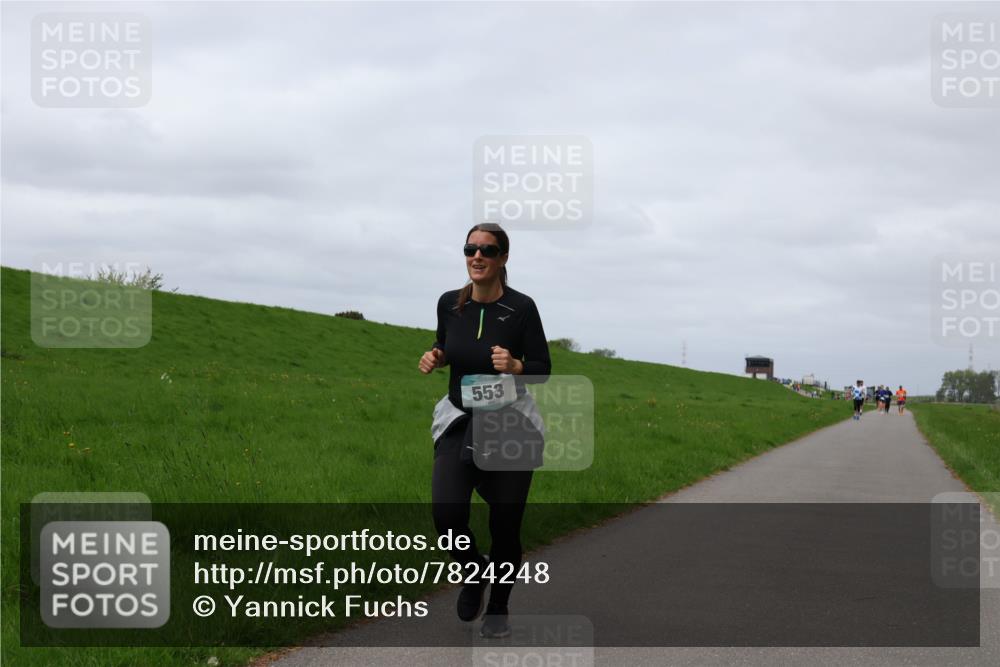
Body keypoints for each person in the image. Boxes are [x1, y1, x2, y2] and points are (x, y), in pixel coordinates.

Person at [418, 222, 551, 639]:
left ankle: (498, 606)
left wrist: (516, 366)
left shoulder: (522, 308)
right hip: (460, 418)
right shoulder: (449, 304)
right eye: (470, 249)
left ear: (503, 258)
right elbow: (446, 343)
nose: (477, 256)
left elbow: (542, 369)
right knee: (447, 514)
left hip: (509, 423)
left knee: (506, 523)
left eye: (488, 250)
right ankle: (474, 572)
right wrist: (436, 356)